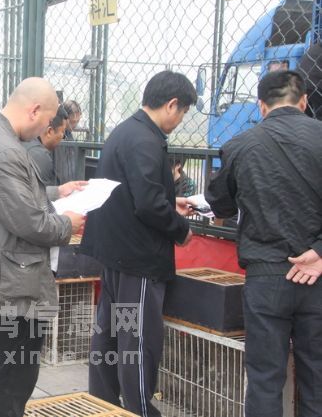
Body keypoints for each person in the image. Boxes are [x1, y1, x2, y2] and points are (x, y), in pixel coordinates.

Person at [0, 77, 85, 417]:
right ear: (34, 110)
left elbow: (6, 196)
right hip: (12, 287)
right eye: (47, 121)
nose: (45, 130)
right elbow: (29, 221)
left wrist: (56, 192)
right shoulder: (7, 150)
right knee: (10, 380)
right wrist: (67, 224)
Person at [206, 70, 322, 417]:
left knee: (265, 379)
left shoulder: (240, 145)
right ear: (304, 101)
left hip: (265, 275)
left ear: (261, 106)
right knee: (317, 375)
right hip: (316, 274)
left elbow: (221, 205)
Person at [80, 70, 196, 417]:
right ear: (171, 104)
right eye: (183, 112)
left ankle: (104, 403)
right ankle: (140, 409)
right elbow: (147, 203)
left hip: (116, 254)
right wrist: (180, 229)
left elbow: (134, 192)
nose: (180, 119)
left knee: (112, 332)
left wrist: (169, 202)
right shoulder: (146, 139)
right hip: (139, 258)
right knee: (137, 340)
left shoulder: (125, 131)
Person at [23, 104, 69, 186]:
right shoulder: (40, 157)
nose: (63, 137)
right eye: (63, 131)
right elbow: (45, 193)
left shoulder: (22, 139)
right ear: (49, 131)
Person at [53, 99, 81, 184]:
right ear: (65, 117)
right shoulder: (57, 134)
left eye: (77, 122)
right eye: (73, 122)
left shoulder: (68, 134)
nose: (75, 125)